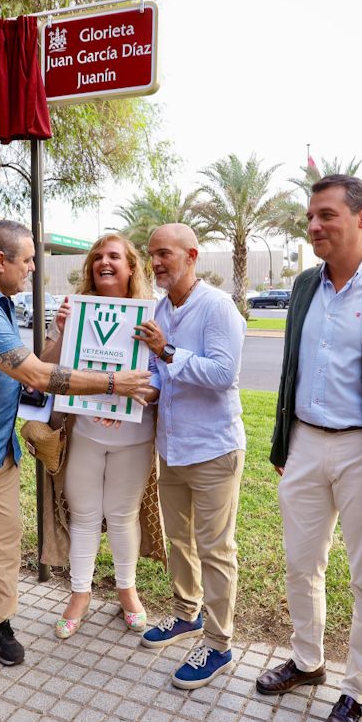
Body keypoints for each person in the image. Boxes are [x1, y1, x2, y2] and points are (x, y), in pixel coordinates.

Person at [0, 219, 152, 682]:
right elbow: (37, 376)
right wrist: (111, 383)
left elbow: (31, 369)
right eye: (28, 261)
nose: (33, 270)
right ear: (0, 262)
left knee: (2, 544)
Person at [258, 175, 362, 722]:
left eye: (325, 215)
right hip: (304, 442)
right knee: (302, 563)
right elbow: (290, 370)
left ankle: (361, 691)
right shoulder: (305, 285)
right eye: (310, 217)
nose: (313, 226)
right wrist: (284, 443)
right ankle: (307, 661)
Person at [132, 223, 246, 690]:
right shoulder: (160, 307)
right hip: (172, 446)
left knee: (215, 548)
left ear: (191, 256)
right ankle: (186, 614)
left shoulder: (218, 308)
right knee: (180, 541)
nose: (156, 262)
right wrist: (150, 390)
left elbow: (222, 374)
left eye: (165, 254)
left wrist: (167, 350)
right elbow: (161, 371)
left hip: (214, 448)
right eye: (152, 255)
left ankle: (219, 645)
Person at [39, 233, 163, 638]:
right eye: (98, 257)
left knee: (123, 515)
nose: (104, 263)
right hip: (85, 433)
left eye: (114, 257)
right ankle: (80, 594)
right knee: (86, 515)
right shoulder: (74, 310)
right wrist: (59, 331)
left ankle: (127, 590)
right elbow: (44, 369)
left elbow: (160, 375)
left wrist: (126, 400)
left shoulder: (153, 315)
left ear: (131, 267)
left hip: (134, 435)